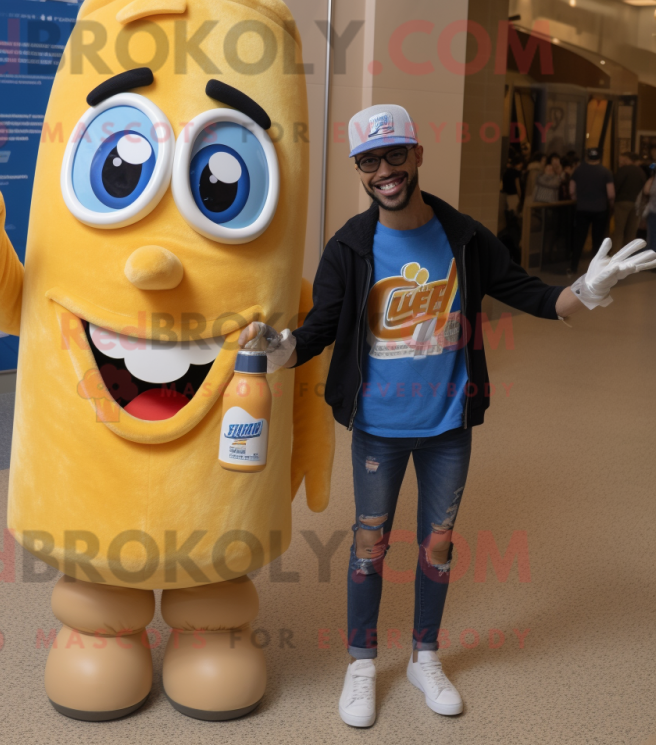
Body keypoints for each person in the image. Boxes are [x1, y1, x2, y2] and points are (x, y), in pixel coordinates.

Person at [237, 104, 656, 728]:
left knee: (438, 545)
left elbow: (536, 297)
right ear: (359, 169)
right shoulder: (350, 247)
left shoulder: (464, 236)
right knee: (369, 545)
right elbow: (318, 332)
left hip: (446, 428)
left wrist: (587, 291)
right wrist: (279, 347)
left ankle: (424, 656)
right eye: (370, 161)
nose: (385, 171)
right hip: (378, 427)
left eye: (396, 155)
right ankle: (361, 663)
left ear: (417, 156)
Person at [569, 147, 614, 275]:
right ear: (599, 157)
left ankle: (573, 266)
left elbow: (571, 190)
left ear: (587, 156)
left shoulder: (578, 171)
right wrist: (611, 206)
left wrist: (576, 199)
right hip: (600, 210)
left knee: (579, 238)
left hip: (582, 209)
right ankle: (595, 269)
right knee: (597, 240)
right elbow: (611, 194)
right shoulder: (606, 172)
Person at [612, 151, 646, 252]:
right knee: (631, 232)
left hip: (622, 202)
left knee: (619, 231)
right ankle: (629, 255)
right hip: (636, 204)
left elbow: (616, 185)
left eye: (621, 160)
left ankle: (616, 254)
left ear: (626, 160)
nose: (620, 162)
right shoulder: (641, 171)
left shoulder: (624, 170)